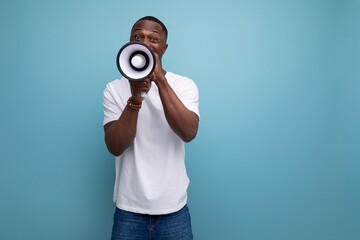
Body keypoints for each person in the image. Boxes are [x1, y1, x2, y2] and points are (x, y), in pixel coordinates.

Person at [103, 16, 200, 239]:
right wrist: (136, 98)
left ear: (164, 48)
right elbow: (115, 146)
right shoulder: (114, 89)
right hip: (129, 210)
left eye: (153, 38)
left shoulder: (184, 85)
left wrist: (160, 81)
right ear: (130, 42)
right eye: (138, 37)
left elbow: (189, 132)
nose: (145, 42)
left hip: (173, 210)